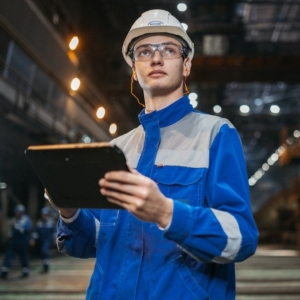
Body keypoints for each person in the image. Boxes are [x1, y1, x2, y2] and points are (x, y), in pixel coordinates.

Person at [52, 9, 259, 299]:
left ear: (186, 65)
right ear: (135, 69)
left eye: (169, 49)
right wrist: (69, 210)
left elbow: (242, 238)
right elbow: (93, 243)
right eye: (145, 51)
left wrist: (166, 213)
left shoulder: (215, 134)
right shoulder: (116, 150)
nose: (156, 57)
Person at [1, 204, 32, 279]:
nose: (18, 214)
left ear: (22, 212)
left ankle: (25, 272)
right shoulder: (15, 219)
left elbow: (27, 229)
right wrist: (9, 235)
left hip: (23, 242)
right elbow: (12, 229)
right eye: (17, 212)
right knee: (9, 256)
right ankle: (4, 272)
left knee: (24, 257)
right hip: (14, 243)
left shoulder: (26, 219)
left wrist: (19, 229)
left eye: (19, 212)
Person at [30, 207, 55, 273]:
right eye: (43, 214)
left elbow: (54, 231)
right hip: (41, 240)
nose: (44, 216)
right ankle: (45, 265)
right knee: (42, 252)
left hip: (48, 240)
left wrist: (56, 239)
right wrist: (33, 239)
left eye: (45, 214)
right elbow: (36, 232)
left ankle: (46, 266)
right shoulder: (39, 222)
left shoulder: (50, 222)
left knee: (44, 251)